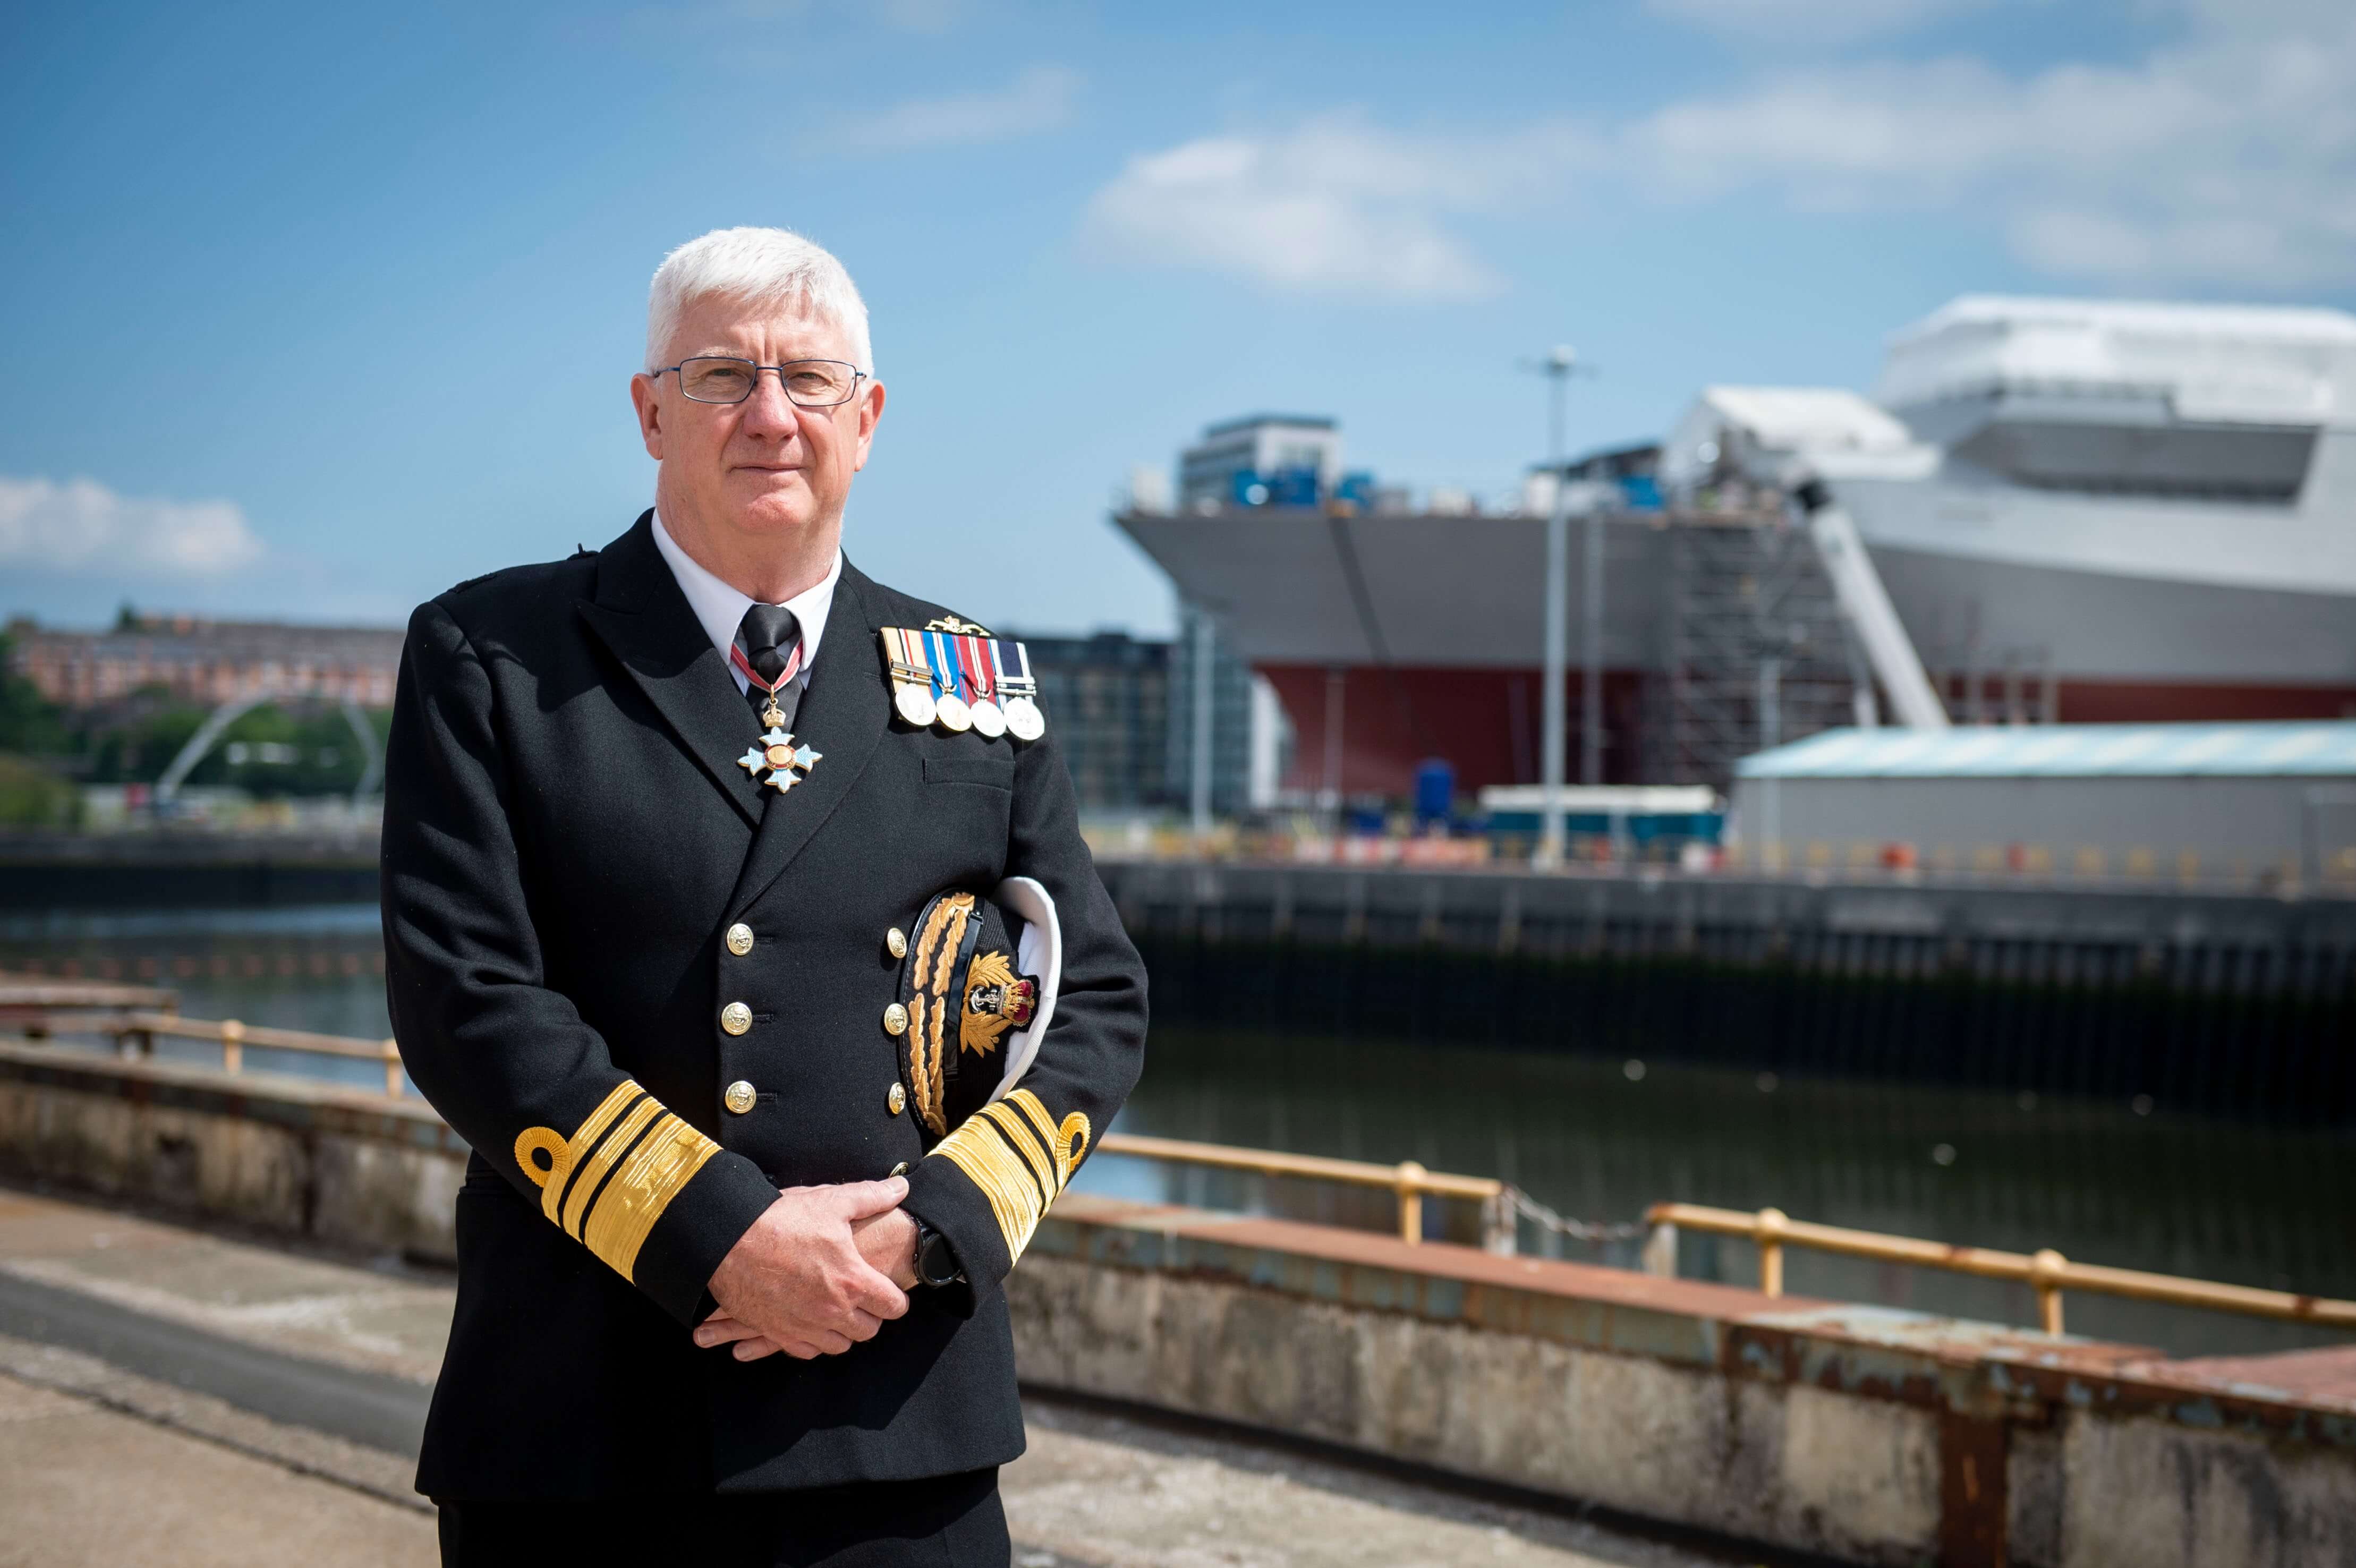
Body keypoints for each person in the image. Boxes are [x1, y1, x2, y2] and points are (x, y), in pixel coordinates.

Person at [380, 225, 1147, 1565]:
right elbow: (468, 1000)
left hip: (897, 1414)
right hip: (586, 1423)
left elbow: (1093, 998)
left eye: (809, 380)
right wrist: (719, 1235)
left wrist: (934, 1232)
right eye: (723, 376)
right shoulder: (492, 654)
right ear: (650, 412)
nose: (770, 417)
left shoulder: (971, 681)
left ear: (870, 417)